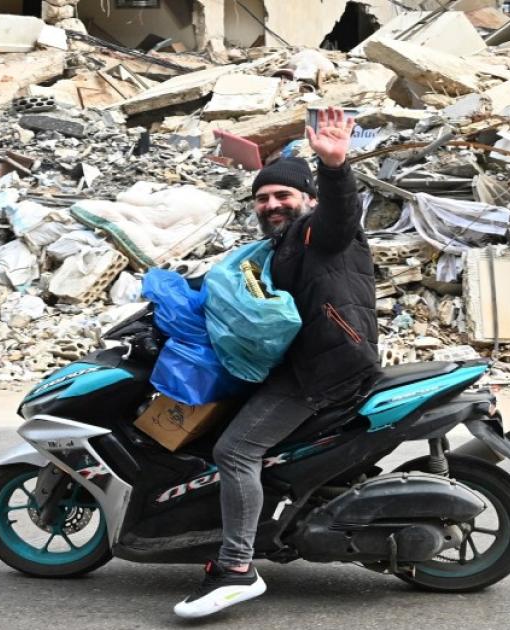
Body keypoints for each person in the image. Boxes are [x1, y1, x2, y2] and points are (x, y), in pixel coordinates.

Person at [174, 107, 380, 619]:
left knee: (235, 451)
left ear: (307, 199)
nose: (272, 204)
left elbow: (339, 218)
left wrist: (334, 167)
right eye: (263, 198)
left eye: (283, 195)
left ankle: (237, 567)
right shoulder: (279, 245)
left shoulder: (316, 232)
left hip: (326, 369)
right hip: (308, 361)